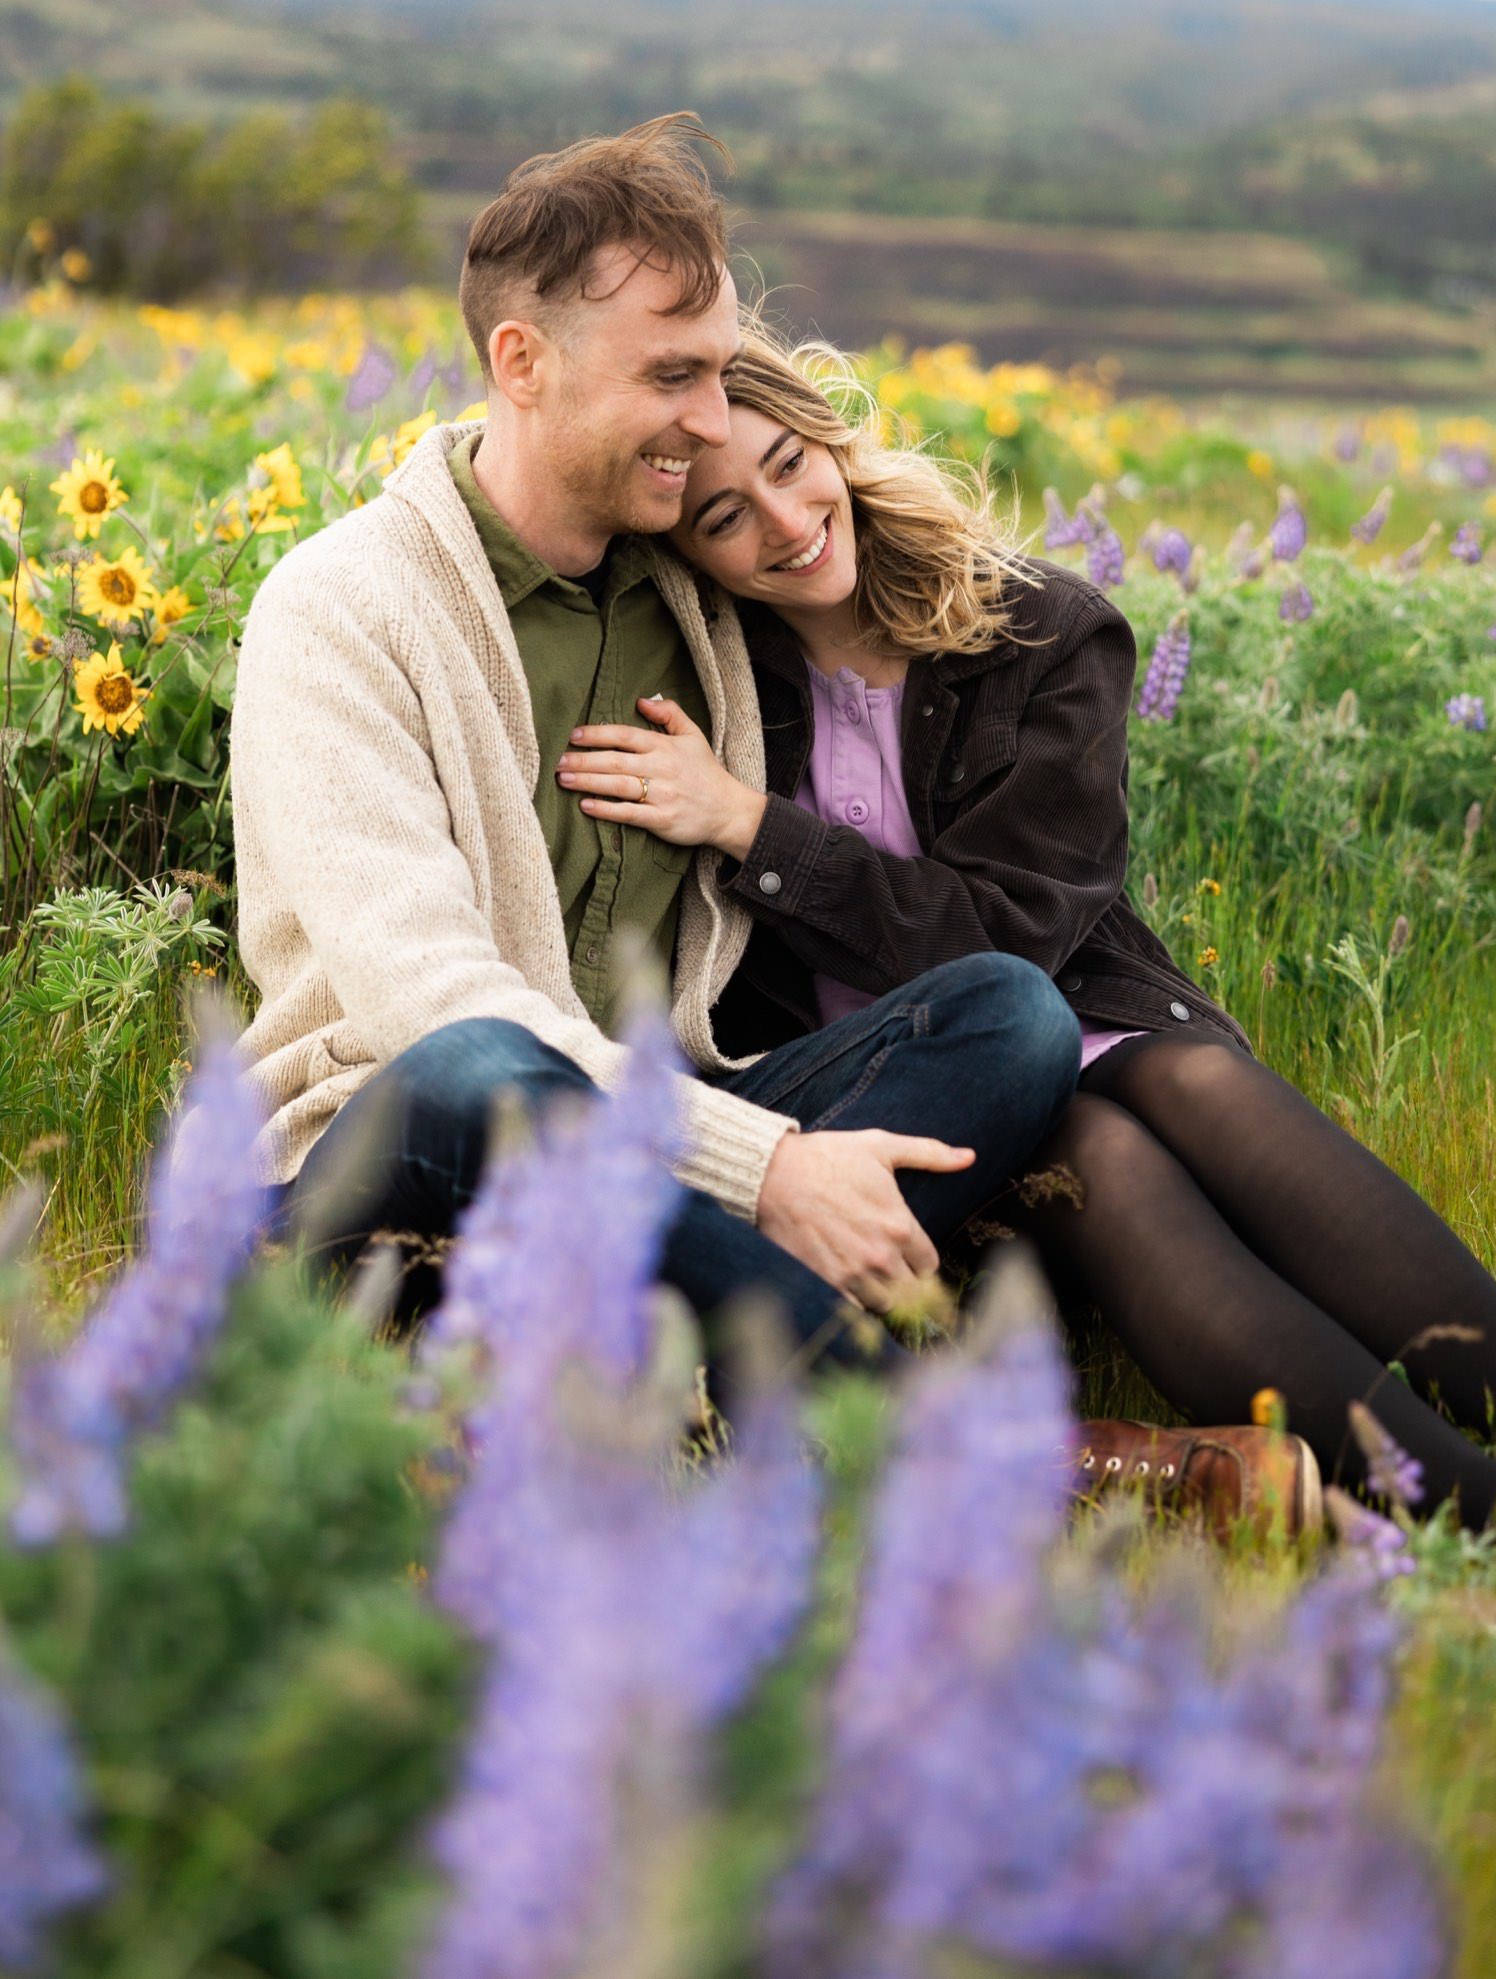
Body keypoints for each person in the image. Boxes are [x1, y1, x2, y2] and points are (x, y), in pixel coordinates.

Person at [554, 323, 1496, 1529]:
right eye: (725, 516)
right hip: (895, 1100)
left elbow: (1006, 947)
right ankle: (1470, 1506)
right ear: (691, 553)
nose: (786, 522)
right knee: (1095, 1142)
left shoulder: (1044, 633)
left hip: (1066, 1015)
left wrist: (753, 826)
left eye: (791, 464)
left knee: (1179, 1089)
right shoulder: (713, 680)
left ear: (834, 442)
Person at [228, 116, 1085, 1378]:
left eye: (720, 367)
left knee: (1007, 1016)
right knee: (481, 1070)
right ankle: (950, 1431)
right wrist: (771, 1168)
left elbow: (842, 577)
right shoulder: (340, 609)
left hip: (653, 1131)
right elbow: (432, 1008)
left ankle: (638, 1354)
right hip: (383, 1160)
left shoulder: (693, 587)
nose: (712, 412)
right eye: (671, 376)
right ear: (522, 362)